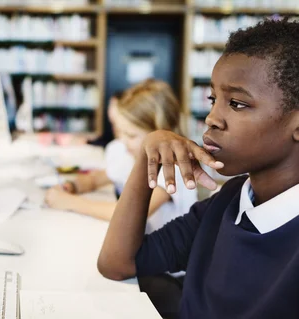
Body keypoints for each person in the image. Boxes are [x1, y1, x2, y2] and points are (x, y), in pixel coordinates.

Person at [98, 19, 299, 318]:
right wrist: (146, 156)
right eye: (213, 99)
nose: (212, 118)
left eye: (237, 104)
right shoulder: (230, 199)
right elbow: (117, 264)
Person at [45, 79, 197, 234]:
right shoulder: (129, 153)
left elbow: (127, 215)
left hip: (169, 253)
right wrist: (73, 186)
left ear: (160, 133)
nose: (123, 141)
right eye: (120, 131)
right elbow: (96, 179)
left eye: (131, 135)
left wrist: (70, 202)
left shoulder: (173, 169)